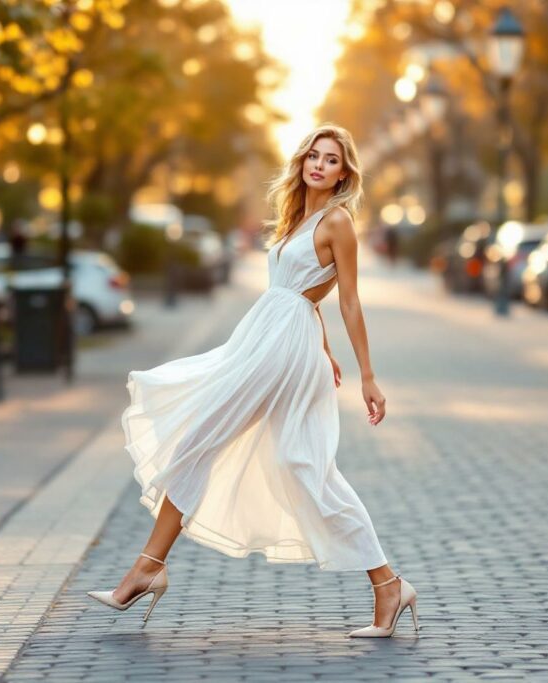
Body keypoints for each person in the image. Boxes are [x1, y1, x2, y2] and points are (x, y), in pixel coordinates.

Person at [87, 124, 419, 638]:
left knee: (203, 438)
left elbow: (348, 298)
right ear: (302, 162)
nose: (319, 165)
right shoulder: (298, 219)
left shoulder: (338, 222)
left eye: (332, 160)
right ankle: (387, 583)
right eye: (314, 155)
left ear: (344, 173)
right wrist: (323, 349)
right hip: (275, 338)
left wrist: (367, 376)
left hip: (281, 347)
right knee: (300, 464)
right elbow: (307, 293)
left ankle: (148, 567)